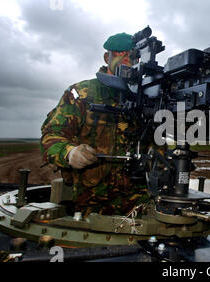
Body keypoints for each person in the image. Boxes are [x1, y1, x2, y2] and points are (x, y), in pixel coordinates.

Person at [40, 32, 151, 217]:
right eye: (119, 53)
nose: (126, 59)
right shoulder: (82, 93)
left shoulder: (147, 97)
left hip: (138, 203)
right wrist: (69, 152)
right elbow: (51, 136)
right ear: (107, 57)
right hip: (92, 205)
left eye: (131, 55)